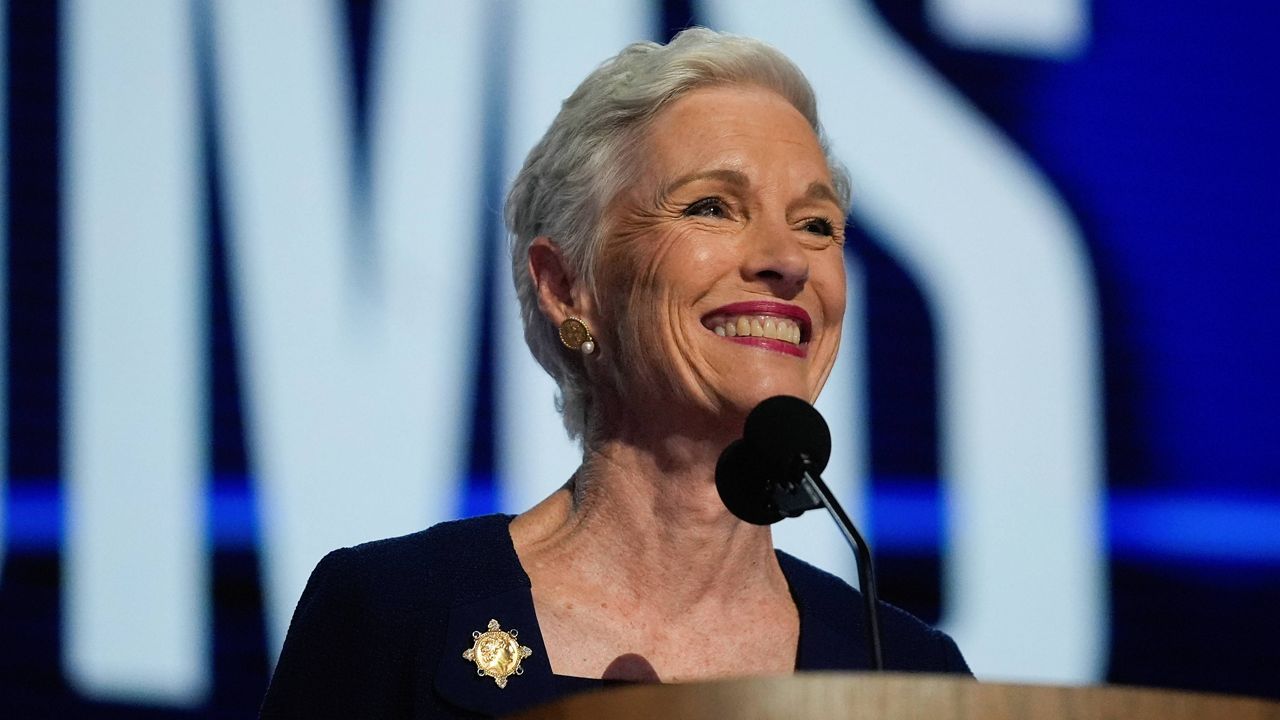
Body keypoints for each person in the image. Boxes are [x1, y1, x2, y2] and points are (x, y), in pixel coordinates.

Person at [260, 27, 968, 719]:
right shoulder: (395, 616)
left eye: (817, 224)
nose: (787, 259)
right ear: (569, 286)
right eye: (712, 207)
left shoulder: (904, 671)